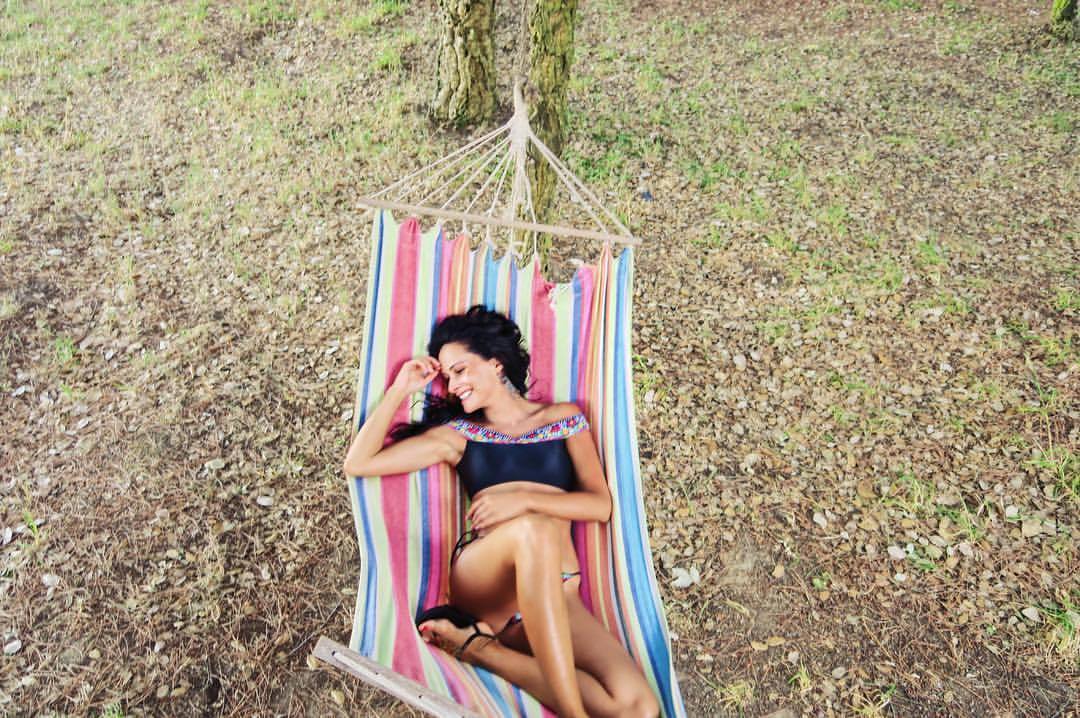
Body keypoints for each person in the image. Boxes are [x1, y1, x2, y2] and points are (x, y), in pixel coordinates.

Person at [344, 305, 660, 718]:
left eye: (460, 370)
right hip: (487, 581)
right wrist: (400, 389)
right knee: (533, 530)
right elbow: (359, 463)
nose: (453, 385)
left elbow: (599, 505)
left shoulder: (563, 418)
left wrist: (524, 499)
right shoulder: (460, 435)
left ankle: (481, 650)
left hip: (557, 591)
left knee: (638, 709)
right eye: (447, 377)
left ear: (495, 364)